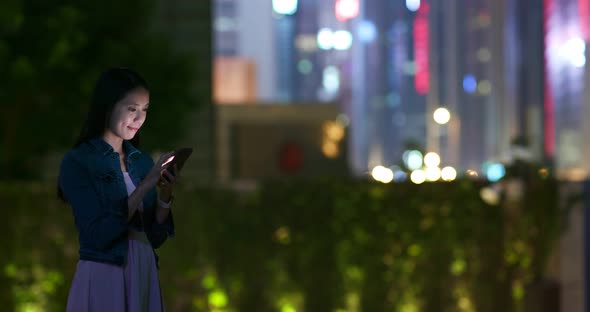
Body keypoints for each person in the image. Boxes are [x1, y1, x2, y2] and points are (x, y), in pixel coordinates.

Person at [58, 67, 178, 311]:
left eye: (144, 110)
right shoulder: (80, 162)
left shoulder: (141, 161)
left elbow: (155, 236)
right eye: (132, 109)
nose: (139, 119)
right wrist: (146, 184)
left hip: (143, 272)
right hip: (106, 273)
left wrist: (165, 196)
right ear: (108, 106)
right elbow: (99, 235)